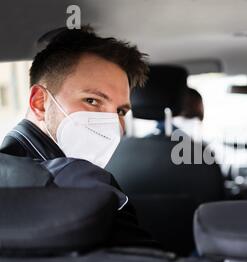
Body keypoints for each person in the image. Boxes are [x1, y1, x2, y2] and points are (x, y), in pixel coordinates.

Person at [0, 26, 158, 247]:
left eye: (120, 111)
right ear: (39, 102)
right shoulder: (87, 185)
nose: (112, 123)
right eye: (92, 100)